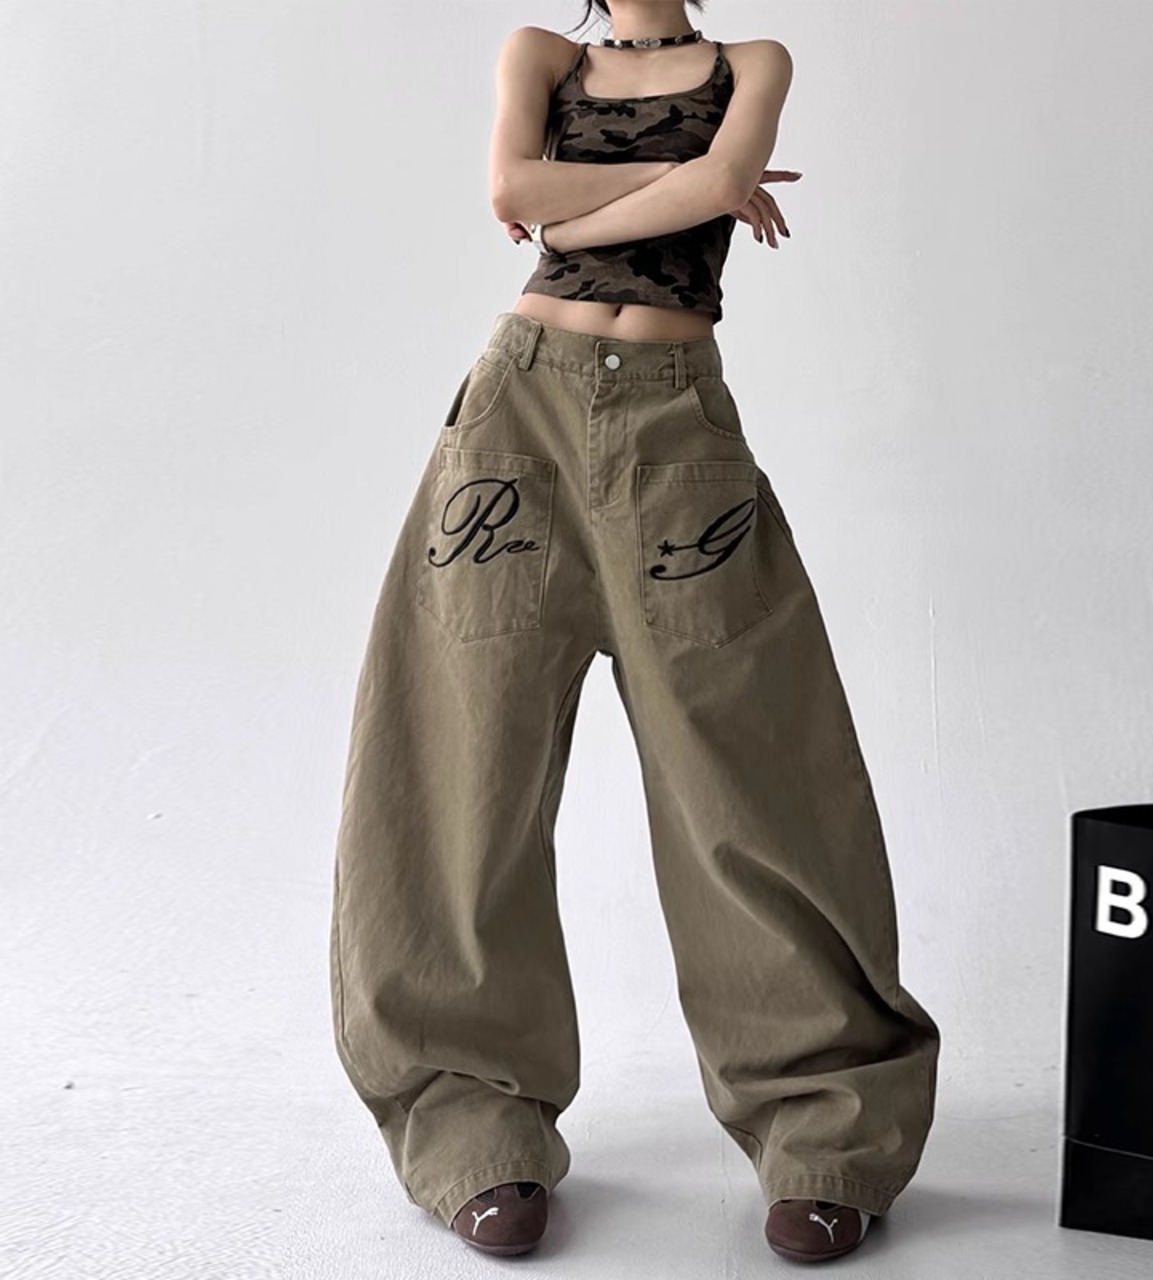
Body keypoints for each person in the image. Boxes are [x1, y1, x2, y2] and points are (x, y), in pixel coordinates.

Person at [327, 0, 941, 1264]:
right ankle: (469, 1128)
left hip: (677, 428)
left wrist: (593, 202)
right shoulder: (540, 54)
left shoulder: (753, 61)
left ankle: (825, 1131)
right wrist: (691, 181)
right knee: (457, 767)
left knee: (755, 775)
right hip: (516, 415)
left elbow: (574, 204)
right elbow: (516, 190)